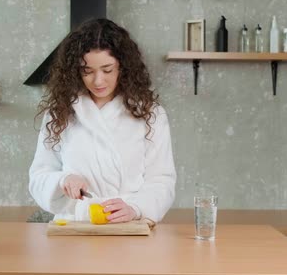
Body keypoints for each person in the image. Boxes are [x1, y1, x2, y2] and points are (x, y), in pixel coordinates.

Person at [28, 18, 176, 223]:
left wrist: (136, 208)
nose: (98, 81)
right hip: (75, 227)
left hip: (129, 225)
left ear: (123, 67)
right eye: (87, 71)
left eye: (107, 70)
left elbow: (161, 179)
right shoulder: (59, 114)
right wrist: (63, 179)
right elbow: (39, 176)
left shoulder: (150, 114)